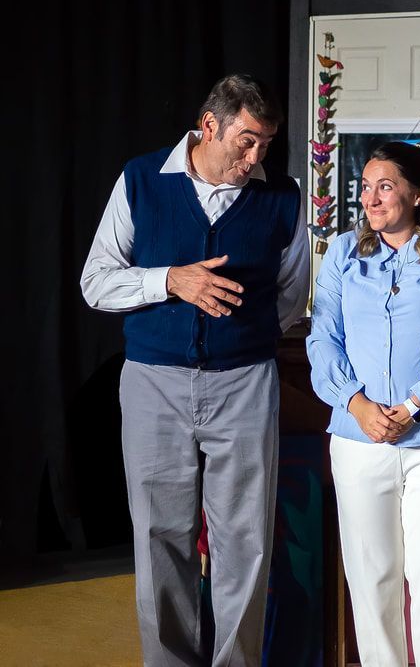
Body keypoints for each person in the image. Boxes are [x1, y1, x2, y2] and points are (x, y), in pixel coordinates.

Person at [80, 74, 309, 666]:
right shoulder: (140, 180)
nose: (255, 156)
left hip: (245, 385)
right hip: (153, 383)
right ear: (209, 125)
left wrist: (240, 342)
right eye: (246, 140)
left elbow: (291, 296)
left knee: (246, 544)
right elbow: (96, 281)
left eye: (266, 144)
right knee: (160, 540)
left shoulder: (282, 197)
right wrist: (169, 280)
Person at [307, 141, 420, 666]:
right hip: (359, 442)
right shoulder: (341, 253)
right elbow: (322, 339)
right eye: (366, 187)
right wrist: (355, 404)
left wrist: (415, 405)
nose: (371, 199)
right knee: (371, 576)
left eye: (386, 186)